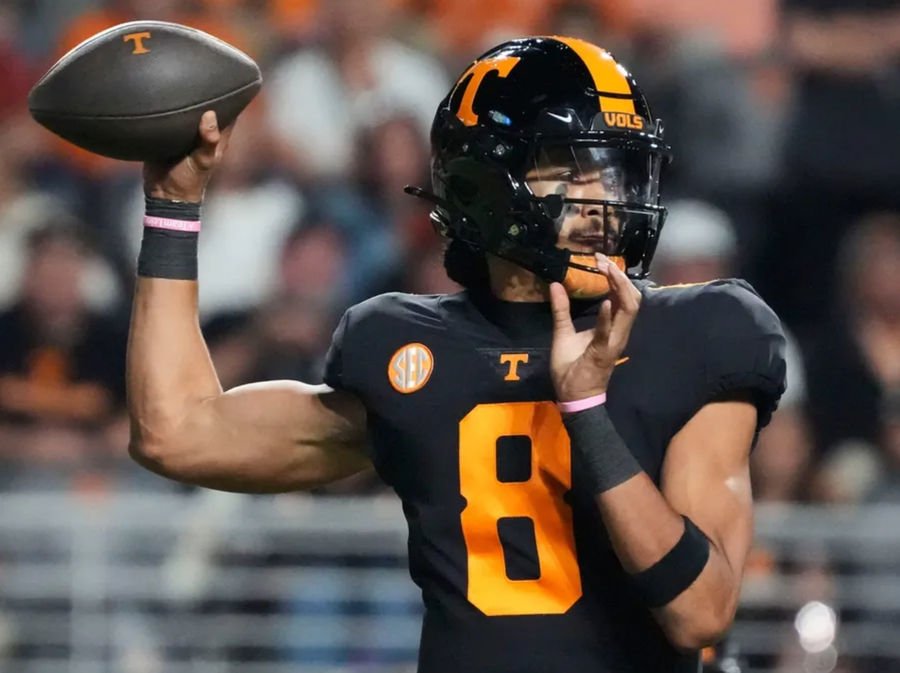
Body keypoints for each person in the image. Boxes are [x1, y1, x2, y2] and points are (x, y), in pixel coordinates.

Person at [127, 37, 786, 673]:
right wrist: (173, 205)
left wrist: (585, 410)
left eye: (612, 167)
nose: (605, 200)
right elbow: (175, 433)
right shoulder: (407, 347)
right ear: (484, 186)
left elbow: (702, 613)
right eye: (569, 167)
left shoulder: (697, 329)